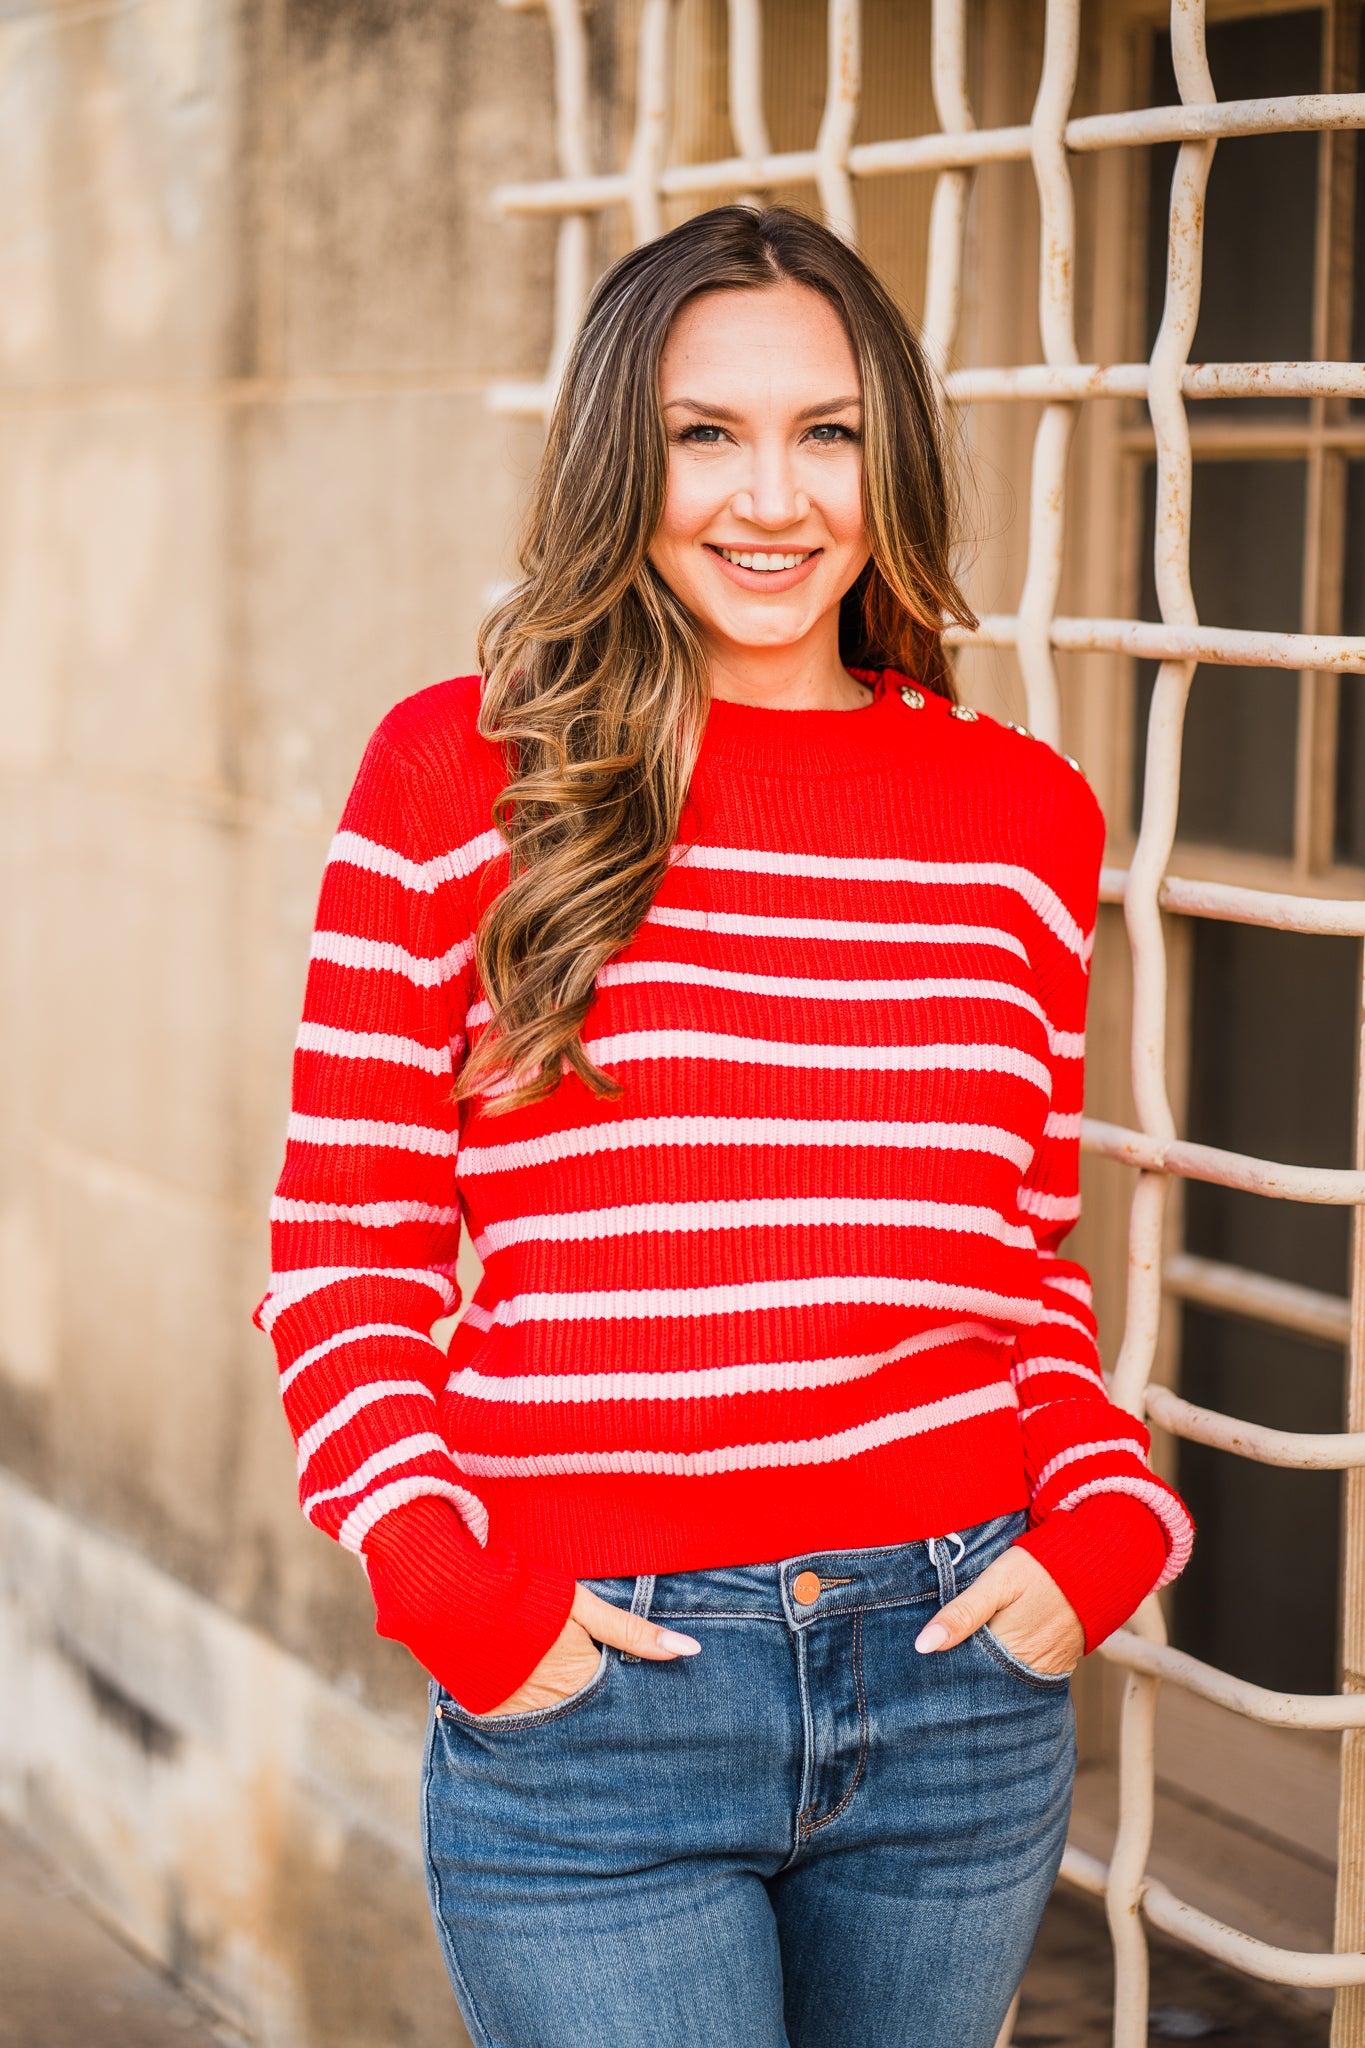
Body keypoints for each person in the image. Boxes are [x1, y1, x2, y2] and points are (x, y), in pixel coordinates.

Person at [256, 204, 1192, 2048]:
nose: (770, 498)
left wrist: (1098, 1510)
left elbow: (1015, 1253)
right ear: (627, 459)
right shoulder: (463, 768)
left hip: (954, 1675)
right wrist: (450, 1584)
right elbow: (345, 1250)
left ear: (889, 459)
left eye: (825, 432)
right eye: (706, 434)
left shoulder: (1022, 818)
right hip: (597, 1692)